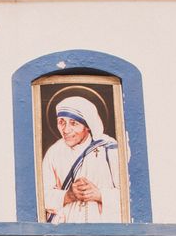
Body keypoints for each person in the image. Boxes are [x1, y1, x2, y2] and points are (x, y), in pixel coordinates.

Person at [41, 94, 123, 223]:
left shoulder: (109, 148)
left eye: (74, 123)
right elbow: (41, 196)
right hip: (65, 227)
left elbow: (129, 196)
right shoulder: (54, 153)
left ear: (88, 125)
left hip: (102, 226)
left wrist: (99, 194)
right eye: (61, 122)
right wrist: (68, 195)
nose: (66, 130)